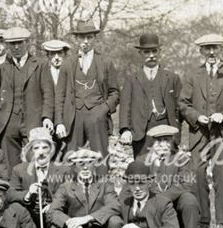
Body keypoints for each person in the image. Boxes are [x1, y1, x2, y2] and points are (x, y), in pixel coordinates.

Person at [177, 33, 223, 228]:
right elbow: (183, 103)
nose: (211, 52)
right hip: (200, 133)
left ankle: (222, 222)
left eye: (215, 48)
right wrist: (196, 116)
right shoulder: (193, 75)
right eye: (207, 48)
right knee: (198, 174)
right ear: (201, 51)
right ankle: (203, 220)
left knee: (222, 177)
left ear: (221, 49)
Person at [46, 147, 121, 228]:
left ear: (95, 166)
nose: (85, 168)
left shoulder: (104, 183)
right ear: (74, 168)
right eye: (81, 164)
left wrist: (87, 218)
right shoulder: (66, 187)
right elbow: (53, 211)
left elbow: (114, 205)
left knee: (116, 222)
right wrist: (70, 223)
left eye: (89, 164)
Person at [138, 124, 201, 228]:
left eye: (167, 140)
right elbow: (137, 183)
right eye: (159, 141)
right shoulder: (142, 160)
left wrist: (164, 197)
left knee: (189, 200)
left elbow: (187, 184)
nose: (163, 145)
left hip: (174, 204)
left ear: (172, 141)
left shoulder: (182, 159)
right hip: (152, 207)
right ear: (152, 143)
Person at [0, 27, 54, 168]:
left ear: (27, 42)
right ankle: (13, 190)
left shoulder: (40, 64)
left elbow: (48, 93)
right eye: (12, 43)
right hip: (7, 124)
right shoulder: (1, 66)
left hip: (33, 122)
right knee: (9, 166)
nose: (16, 47)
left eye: (20, 42)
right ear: (7, 45)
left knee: (35, 164)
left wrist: (47, 117)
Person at [57, 21, 120, 156]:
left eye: (89, 37)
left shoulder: (105, 63)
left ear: (94, 38)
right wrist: (60, 122)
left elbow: (114, 92)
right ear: (76, 39)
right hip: (74, 117)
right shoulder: (67, 64)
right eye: (81, 38)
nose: (85, 41)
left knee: (101, 157)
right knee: (73, 158)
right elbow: (60, 96)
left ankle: (102, 178)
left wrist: (103, 109)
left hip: (98, 116)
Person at [118, 33, 182, 158]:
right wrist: (125, 129)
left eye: (154, 51)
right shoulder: (131, 79)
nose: (151, 55)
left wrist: (177, 130)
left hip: (167, 130)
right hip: (141, 132)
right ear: (140, 53)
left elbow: (179, 107)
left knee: (167, 168)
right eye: (147, 52)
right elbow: (125, 107)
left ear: (160, 51)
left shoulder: (172, 78)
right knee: (144, 167)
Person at [8, 127, 72, 228]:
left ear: (51, 150)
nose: (41, 152)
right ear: (31, 151)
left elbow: (70, 195)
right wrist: (27, 194)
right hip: (29, 216)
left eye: (45, 147)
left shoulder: (64, 170)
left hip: (54, 215)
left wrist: (54, 205)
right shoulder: (19, 169)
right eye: (36, 148)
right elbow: (10, 195)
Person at [38, 40, 71, 149]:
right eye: (53, 54)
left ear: (65, 55)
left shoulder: (71, 72)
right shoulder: (42, 72)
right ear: (48, 55)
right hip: (47, 123)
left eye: (60, 53)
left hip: (66, 121)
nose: (56, 57)